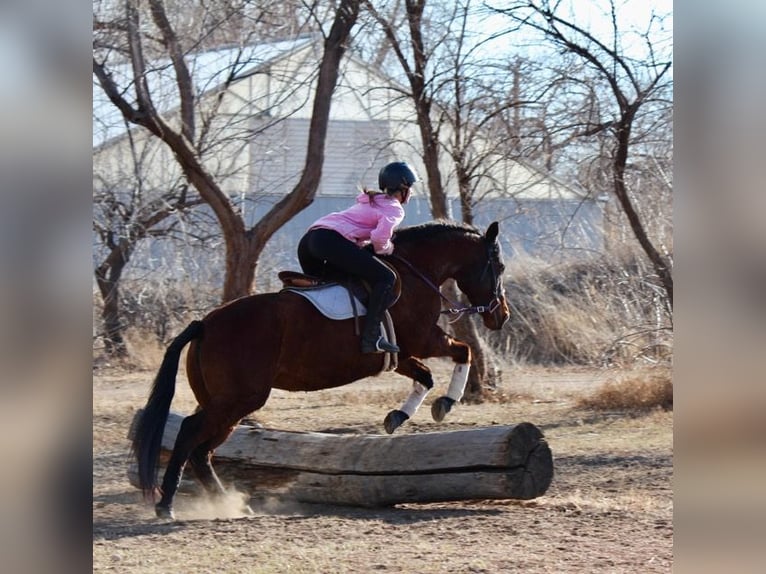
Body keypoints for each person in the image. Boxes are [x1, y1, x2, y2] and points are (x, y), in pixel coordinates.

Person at [297, 161, 419, 354]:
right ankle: (371, 339)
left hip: (309, 242)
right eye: (410, 188)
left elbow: (355, 235)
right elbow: (380, 240)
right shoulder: (394, 208)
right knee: (387, 278)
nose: (411, 193)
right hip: (329, 241)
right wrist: (388, 248)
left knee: (342, 285)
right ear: (402, 188)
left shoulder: (370, 200)